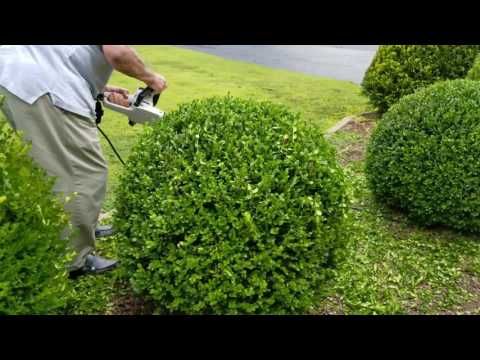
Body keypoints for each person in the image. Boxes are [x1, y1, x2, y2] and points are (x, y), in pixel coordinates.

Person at [0, 45, 167, 278]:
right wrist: (152, 78)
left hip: (20, 77)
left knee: (53, 167)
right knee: (86, 172)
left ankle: (82, 227)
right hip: (46, 85)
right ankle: (74, 260)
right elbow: (117, 53)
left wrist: (100, 87)